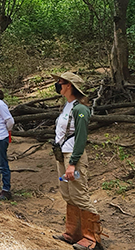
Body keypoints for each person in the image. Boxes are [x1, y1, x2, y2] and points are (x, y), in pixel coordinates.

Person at [52, 71, 101, 250]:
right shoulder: (67, 106)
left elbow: (81, 137)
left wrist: (72, 163)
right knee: (67, 192)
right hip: (62, 155)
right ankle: (73, 233)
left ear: (69, 85)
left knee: (79, 194)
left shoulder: (80, 109)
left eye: (60, 82)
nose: (58, 85)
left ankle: (92, 238)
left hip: (74, 158)